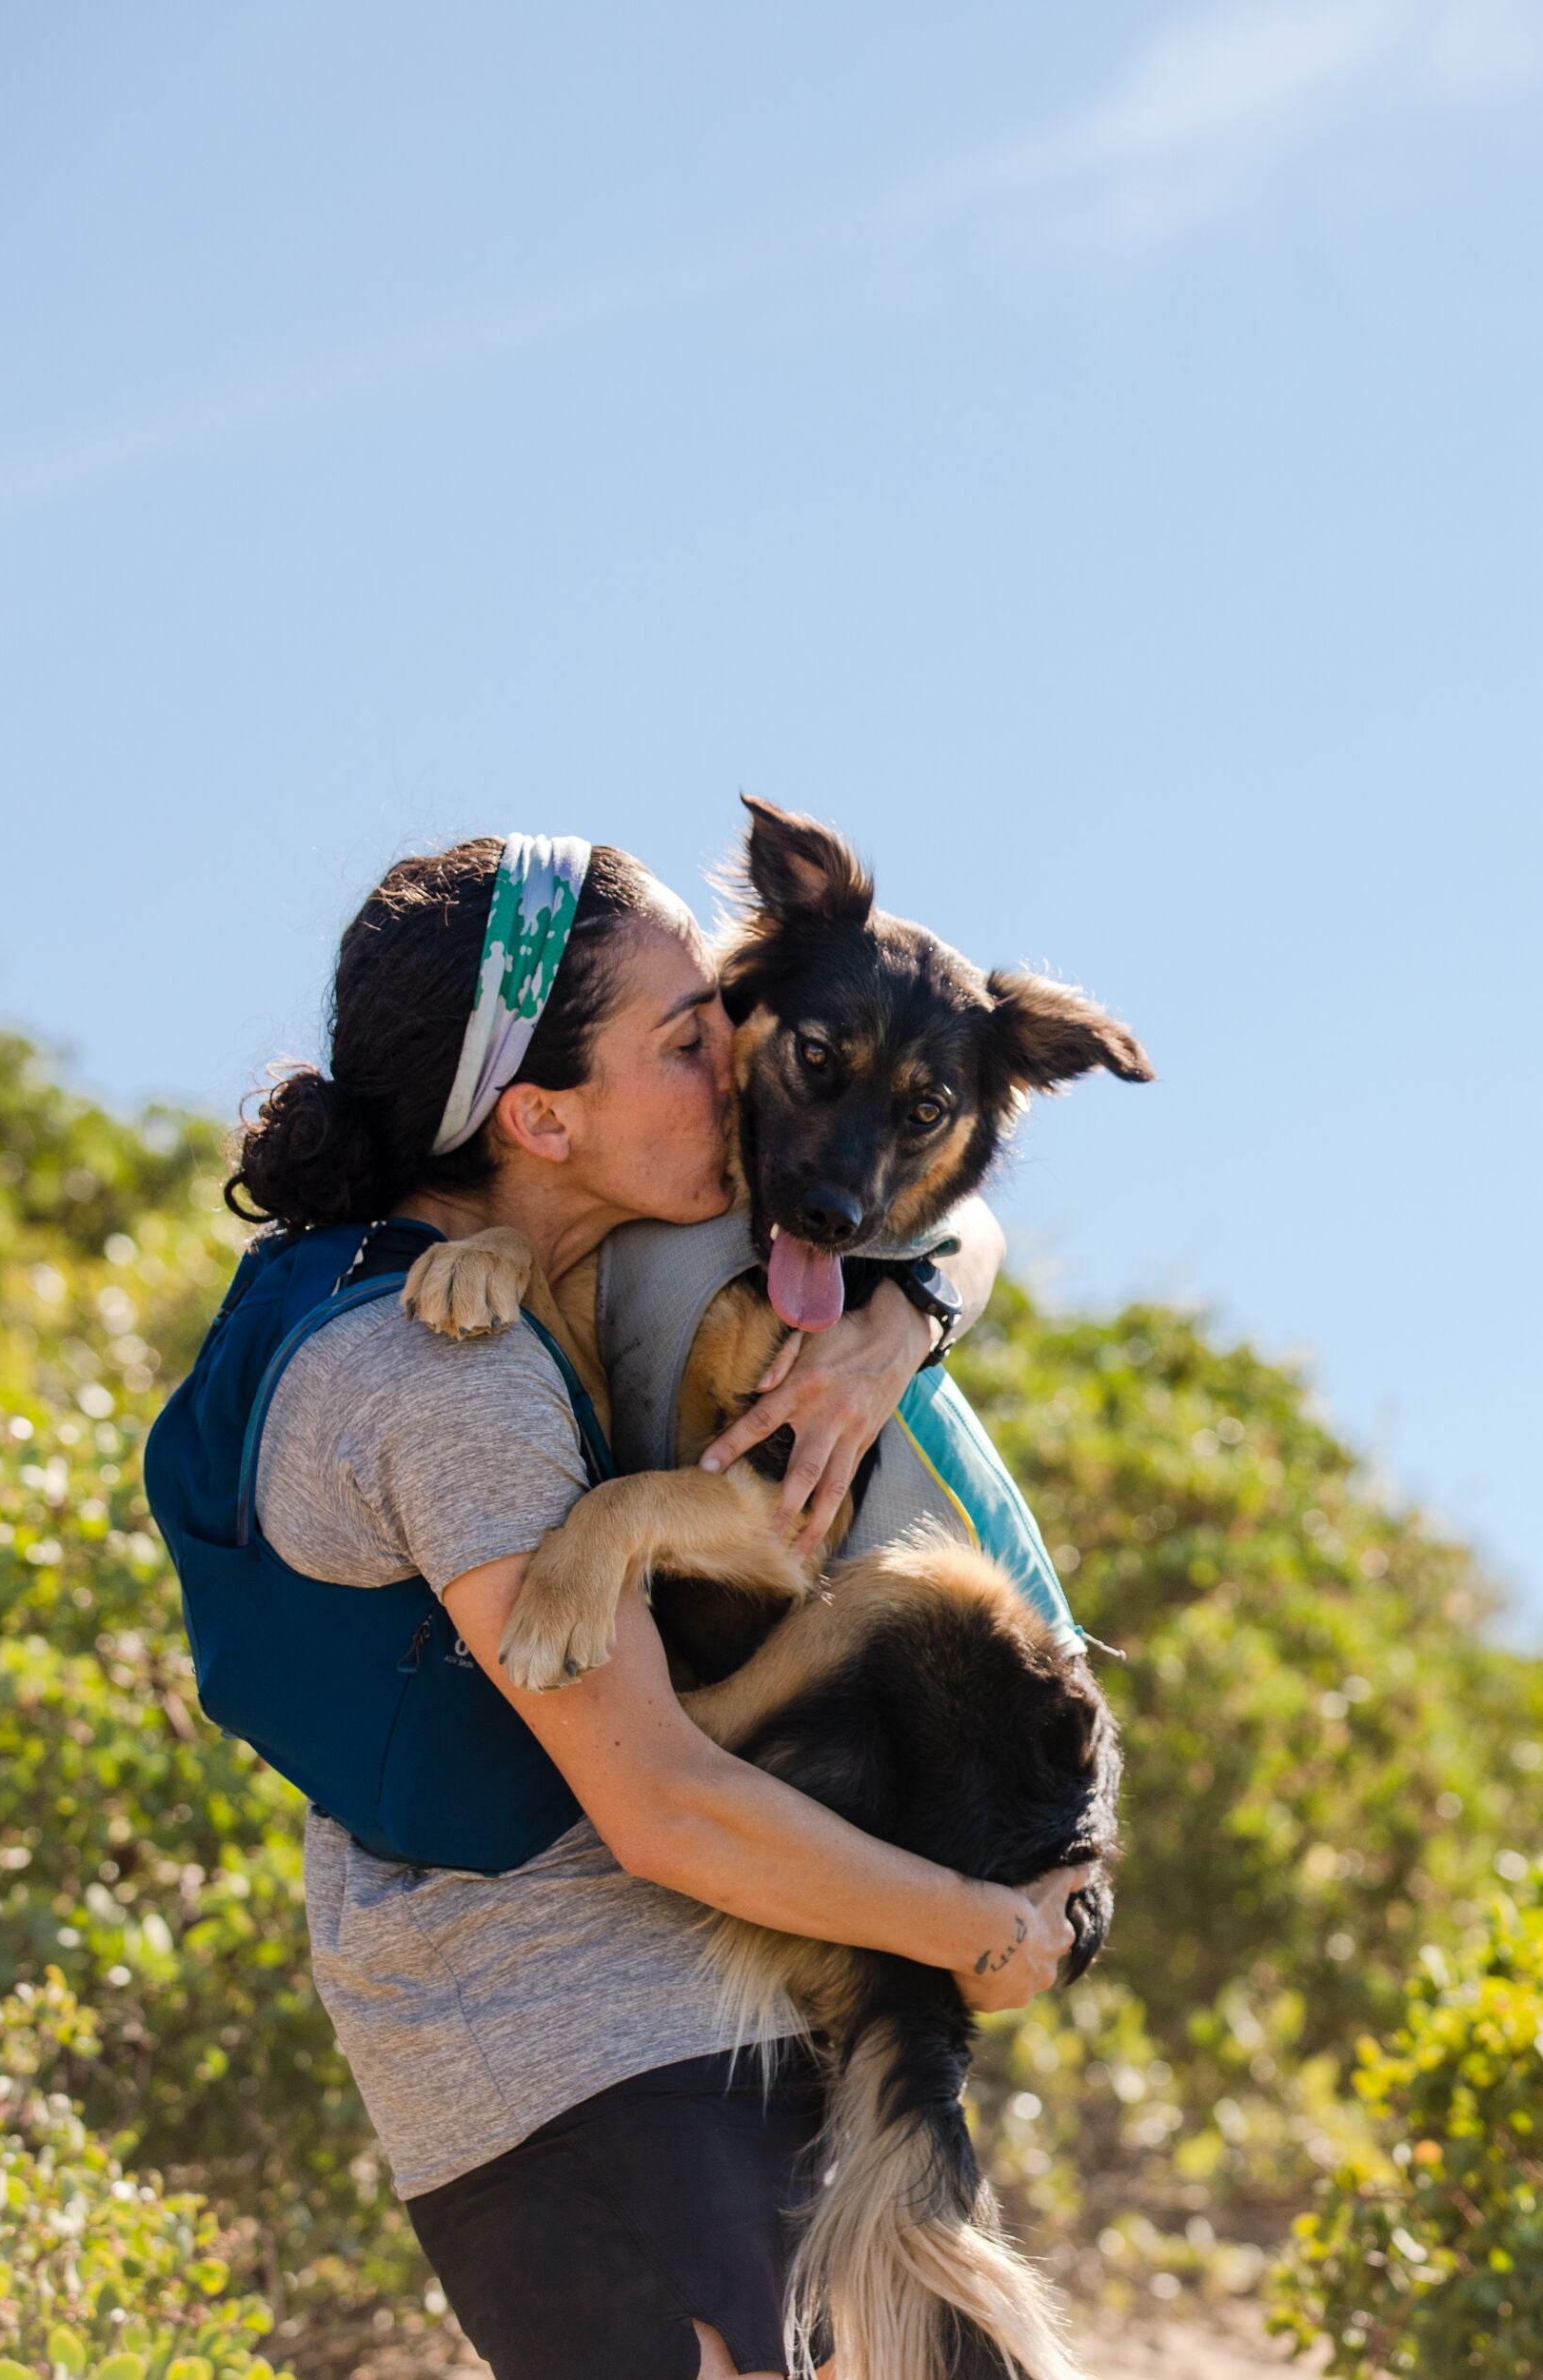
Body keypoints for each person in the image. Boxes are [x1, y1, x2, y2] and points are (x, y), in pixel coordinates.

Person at [148, 836, 1087, 2380]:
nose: (733, 1056)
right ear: (539, 1112)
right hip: (586, 2062)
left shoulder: (587, 1266)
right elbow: (660, 1804)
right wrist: (992, 1930)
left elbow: (954, 1201)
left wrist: (902, 1315)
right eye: (682, 1037)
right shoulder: (445, 1377)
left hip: (726, 2001)